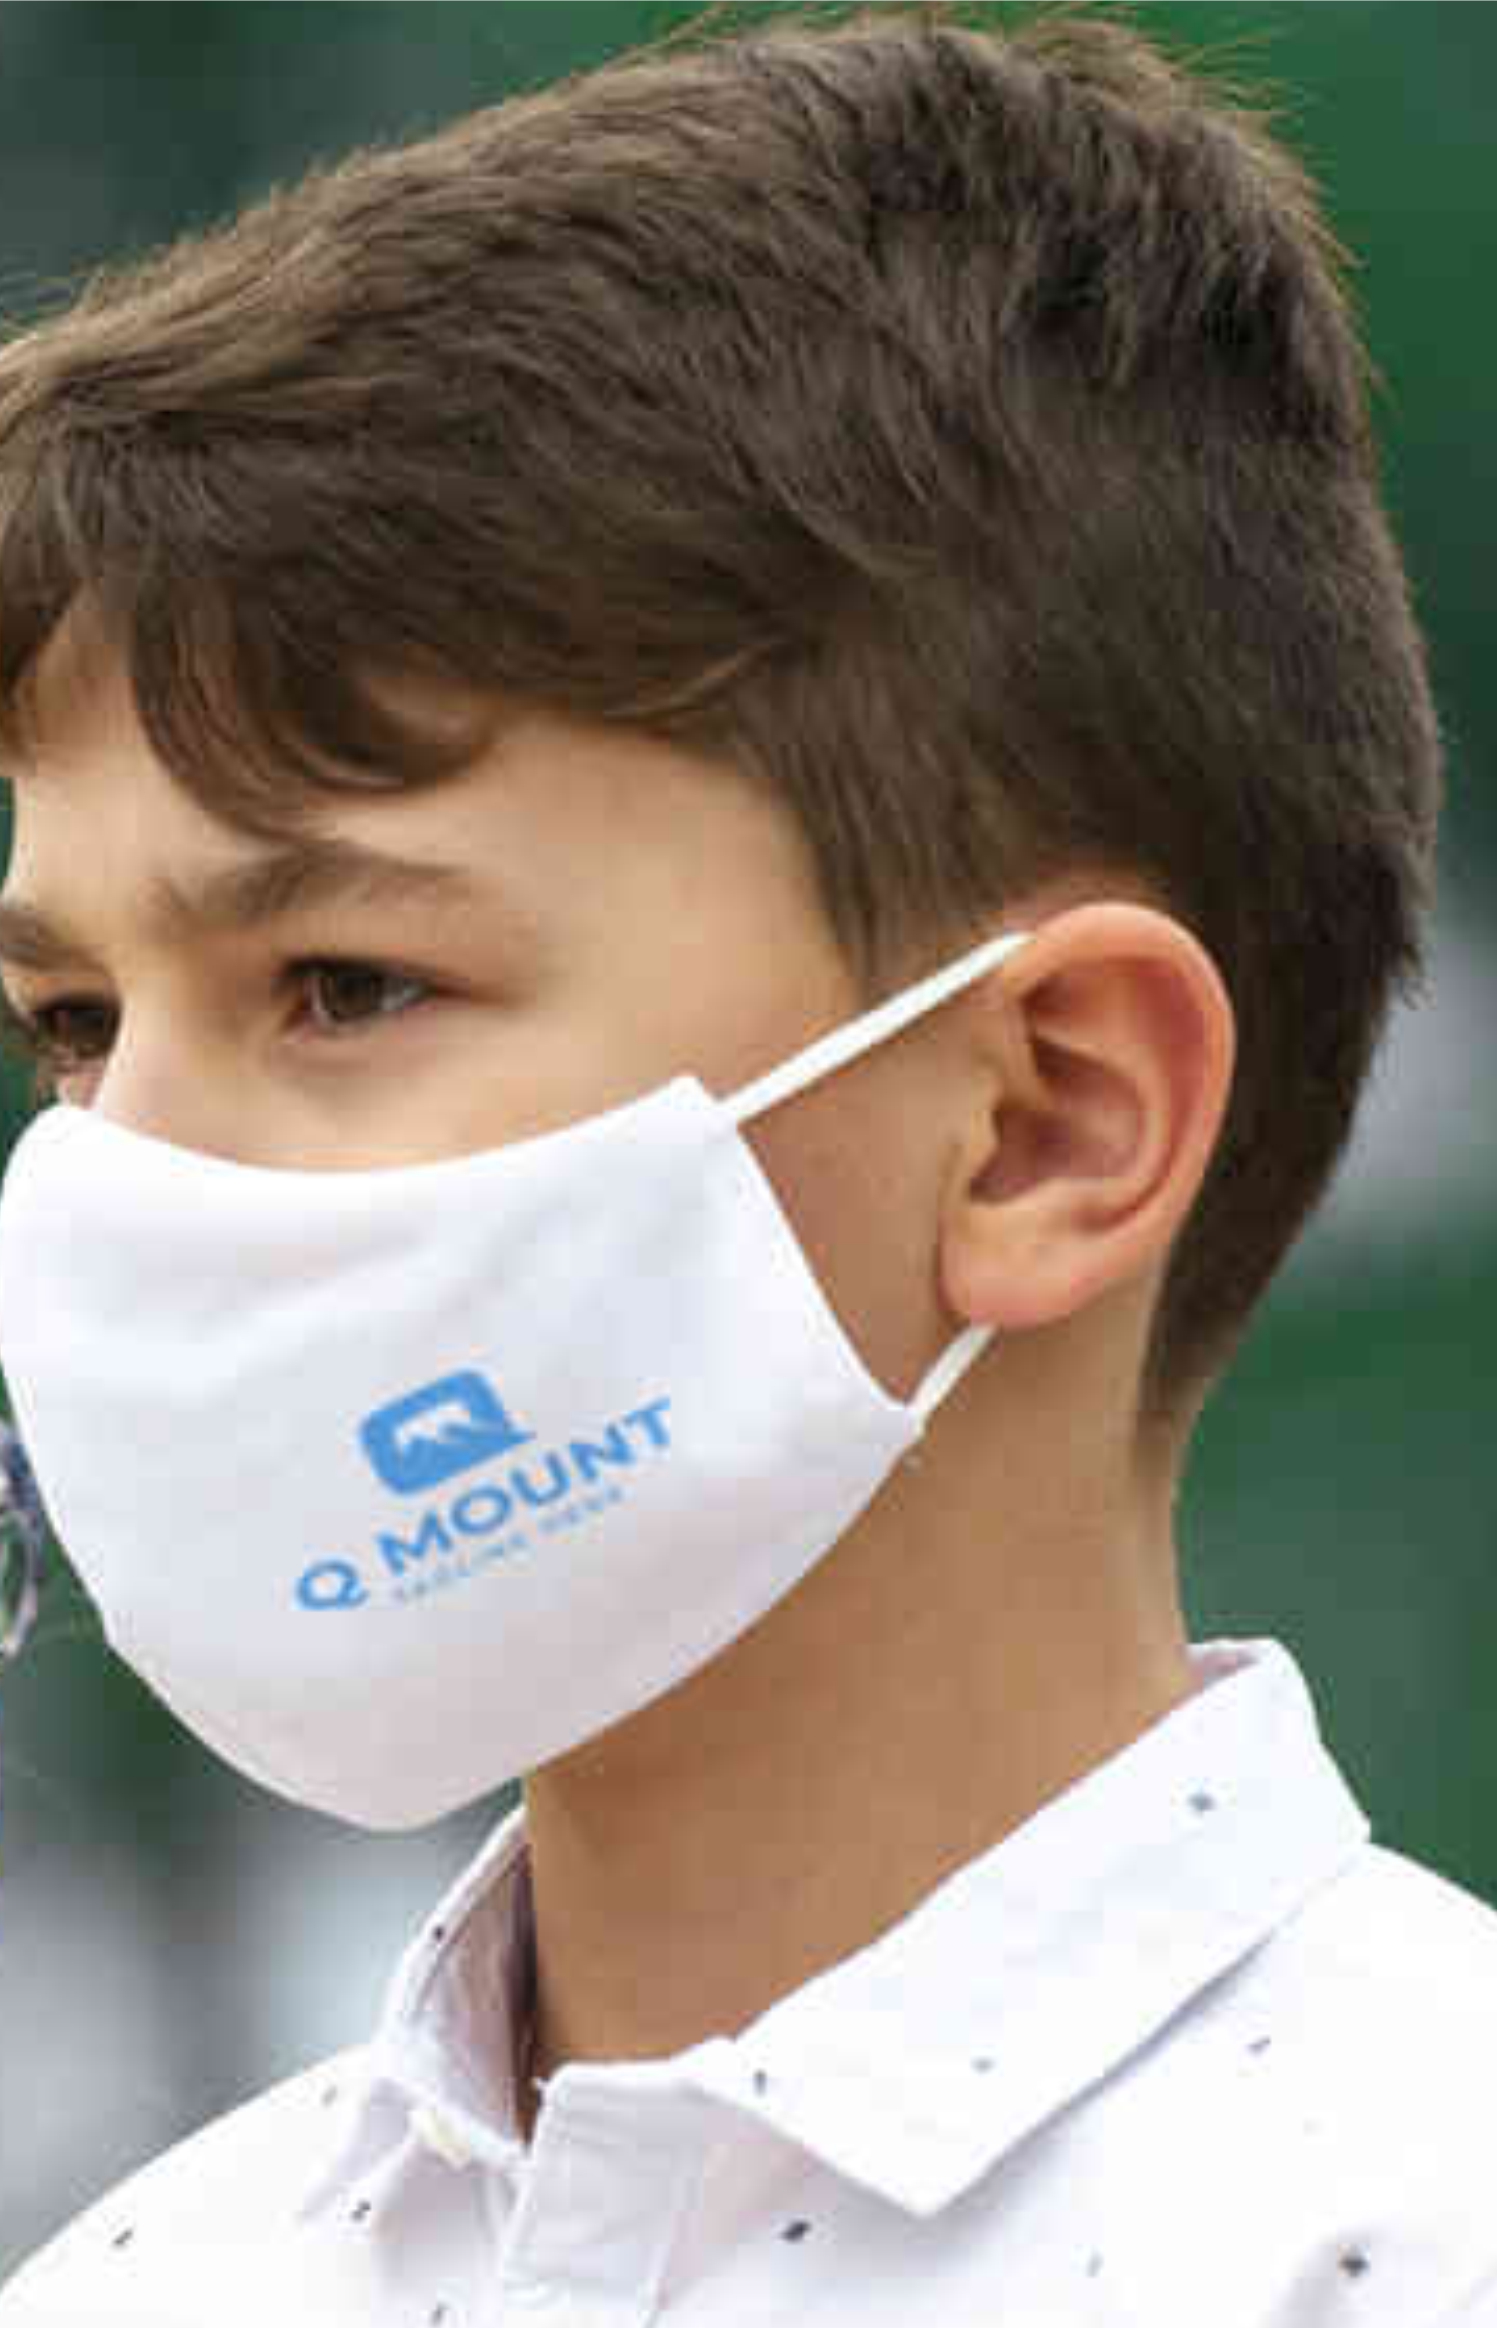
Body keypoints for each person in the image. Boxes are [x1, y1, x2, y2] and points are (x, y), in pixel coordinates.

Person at [0, 3, 1491, 2319]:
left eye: (344, 984)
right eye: (74, 1027)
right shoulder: (140, 2282)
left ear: (1047, 1118)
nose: (124, 1190)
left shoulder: (1402, 2231)